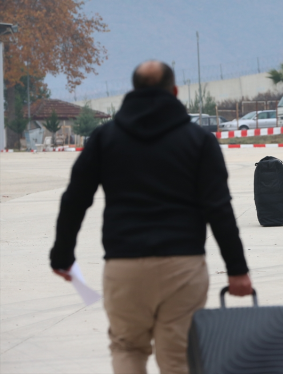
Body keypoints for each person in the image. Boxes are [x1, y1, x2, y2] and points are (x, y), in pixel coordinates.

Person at [49, 60, 252, 374]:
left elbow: (75, 199)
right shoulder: (198, 140)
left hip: (124, 265)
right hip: (183, 267)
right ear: (174, 91)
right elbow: (219, 208)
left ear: (134, 90)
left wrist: (62, 255)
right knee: (178, 359)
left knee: (127, 348)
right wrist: (237, 269)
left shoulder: (104, 138)